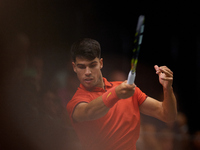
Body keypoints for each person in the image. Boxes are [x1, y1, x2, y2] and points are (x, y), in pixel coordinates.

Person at [66, 38, 177, 150]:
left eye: (92, 65)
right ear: (74, 67)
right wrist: (116, 93)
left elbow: (167, 115)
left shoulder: (126, 90)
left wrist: (167, 88)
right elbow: (89, 111)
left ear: (100, 63)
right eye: (81, 67)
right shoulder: (76, 102)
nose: (87, 72)